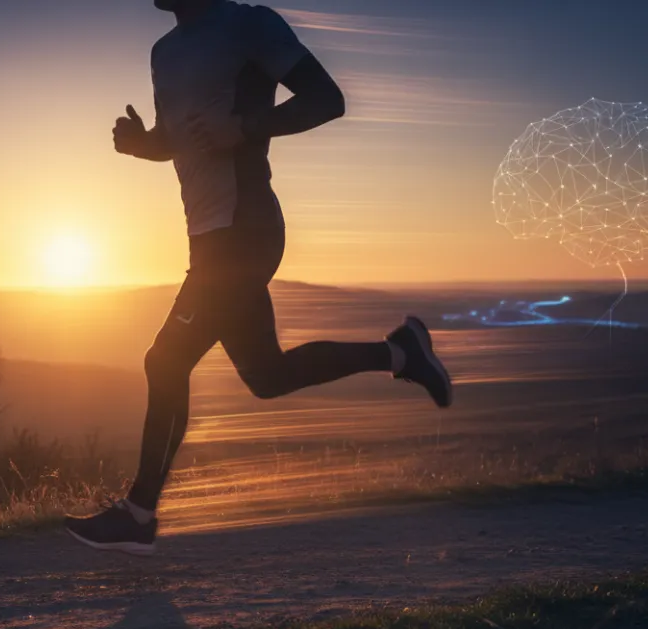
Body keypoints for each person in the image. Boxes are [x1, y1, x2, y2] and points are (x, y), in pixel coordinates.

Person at [65, 0, 452, 556]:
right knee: (267, 375)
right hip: (208, 234)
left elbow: (327, 99)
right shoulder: (164, 52)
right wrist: (140, 143)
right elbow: (181, 141)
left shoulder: (247, 23)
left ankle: (138, 514)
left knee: (165, 361)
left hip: (244, 228)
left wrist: (245, 127)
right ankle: (400, 353)